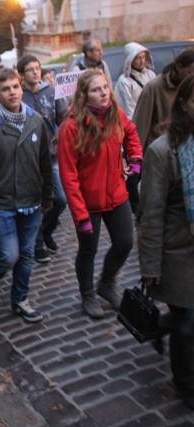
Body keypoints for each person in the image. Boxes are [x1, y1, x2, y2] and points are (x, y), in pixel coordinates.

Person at [57, 70, 143, 319]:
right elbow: (68, 177)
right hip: (88, 202)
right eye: (96, 89)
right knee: (88, 250)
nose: (103, 93)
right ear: (85, 95)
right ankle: (87, 294)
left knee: (125, 243)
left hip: (116, 194)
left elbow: (132, 134)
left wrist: (135, 159)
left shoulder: (116, 114)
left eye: (105, 87)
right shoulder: (71, 126)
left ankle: (106, 283)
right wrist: (81, 216)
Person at [0, 68, 53, 323]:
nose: (12, 92)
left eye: (15, 87)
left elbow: (44, 161)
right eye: (5, 89)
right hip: (1, 202)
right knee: (9, 254)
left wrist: (47, 195)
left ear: (21, 88)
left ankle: (20, 299)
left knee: (26, 253)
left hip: (30, 200)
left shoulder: (35, 120)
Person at [138, 73, 194, 411]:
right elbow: (152, 214)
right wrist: (150, 267)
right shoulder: (163, 152)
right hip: (178, 253)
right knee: (188, 325)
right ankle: (186, 382)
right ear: (184, 104)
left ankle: (159, 326)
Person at [17, 54, 69, 264]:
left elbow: (63, 117)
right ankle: (37, 245)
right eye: (30, 69)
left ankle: (46, 230)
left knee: (60, 199)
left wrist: (61, 132)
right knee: (35, 204)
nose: (35, 72)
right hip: (29, 158)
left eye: (37, 68)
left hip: (52, 156)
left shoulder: (51, 91)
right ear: (22, 75)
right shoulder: (19, 95)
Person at [115, 42, 157, 215]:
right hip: (137, 129)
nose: (140, 61)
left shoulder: (152, 75)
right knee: (135, 171)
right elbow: (130, 109)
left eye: (143, 57)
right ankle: (134, 205)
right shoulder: (125, 82)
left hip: (154, 128)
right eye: (137, 58)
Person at [133, 48, 194, 151]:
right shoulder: (153, 88)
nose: (191, 78)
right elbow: (139, 128)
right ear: (179, 67)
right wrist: (136, 160)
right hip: (159, 155)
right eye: (189, 73)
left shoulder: (190, 90)